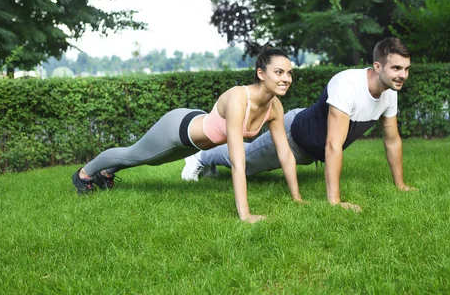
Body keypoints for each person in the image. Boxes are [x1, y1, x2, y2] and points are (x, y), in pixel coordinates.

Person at [182, 37, 417, 211]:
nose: (403, 75)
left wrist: (401, 185)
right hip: (294, 136)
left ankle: (206, 159)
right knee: (247, 159)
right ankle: (200, 157)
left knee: (248, 160)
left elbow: (392, 140)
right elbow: (333, 145)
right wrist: (334, 202)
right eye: (396, 68)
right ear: (378, 67)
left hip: (309, 146)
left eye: (406, 69)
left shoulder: (389, 93)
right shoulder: (349, 85)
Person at [71, 48, 303, 223]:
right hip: (177, 129)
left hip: (195, 142)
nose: (286, 78)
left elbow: (285, 154)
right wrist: (246, 215)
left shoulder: (275, 107)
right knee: (136, 155)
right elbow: (238, 161)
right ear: (261, 73)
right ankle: (84, 174)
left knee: (152, 161)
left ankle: (107, 171)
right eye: (279, 72)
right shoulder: (239, 99)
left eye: (289, 73)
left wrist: (297, 199)